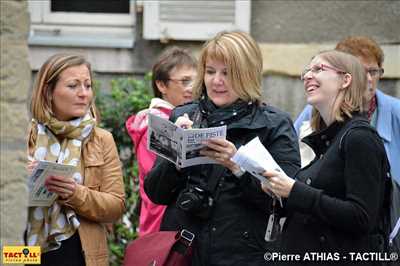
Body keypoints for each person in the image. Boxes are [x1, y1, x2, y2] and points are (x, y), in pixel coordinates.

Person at [144, 31, 300, 265]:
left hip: (242, 254)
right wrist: (175, 154)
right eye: (210, 71)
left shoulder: (274, 124)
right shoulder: (183, 114)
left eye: (227, 73)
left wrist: (237, 165)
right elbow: (156, 194)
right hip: (182, 252)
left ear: (246, 75)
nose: (216, 81)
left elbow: (284, 202)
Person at [263, 50, 389, 265]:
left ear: (345, 80)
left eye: (319, 69)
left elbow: (361, 217)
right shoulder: (329, 140)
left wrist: (295, 190)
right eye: (307, 71)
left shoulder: (359, 138)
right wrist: (279, 192)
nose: (307, 76)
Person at [26, 53, 125, 266]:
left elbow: (115, 206)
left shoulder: (101, 139)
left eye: (88, 86)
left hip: (80, 253)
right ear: (48, 91)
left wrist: (74, 193)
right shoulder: (23, 136)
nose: (83, 94)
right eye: (73, 86)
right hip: (25, 252)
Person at [294, 36, 400, 185]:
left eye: (374, 71)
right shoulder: (315, 110)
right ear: (343, 77)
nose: (369, 79)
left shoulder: (396, 112)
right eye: (361, 71)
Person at [125, 46, 197, 236]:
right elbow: (157, 182)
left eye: (195, 81)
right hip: (162, 223)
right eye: (184, 81)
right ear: (161, 85)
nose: (192, 87)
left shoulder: (187, 117)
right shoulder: (155, 125)